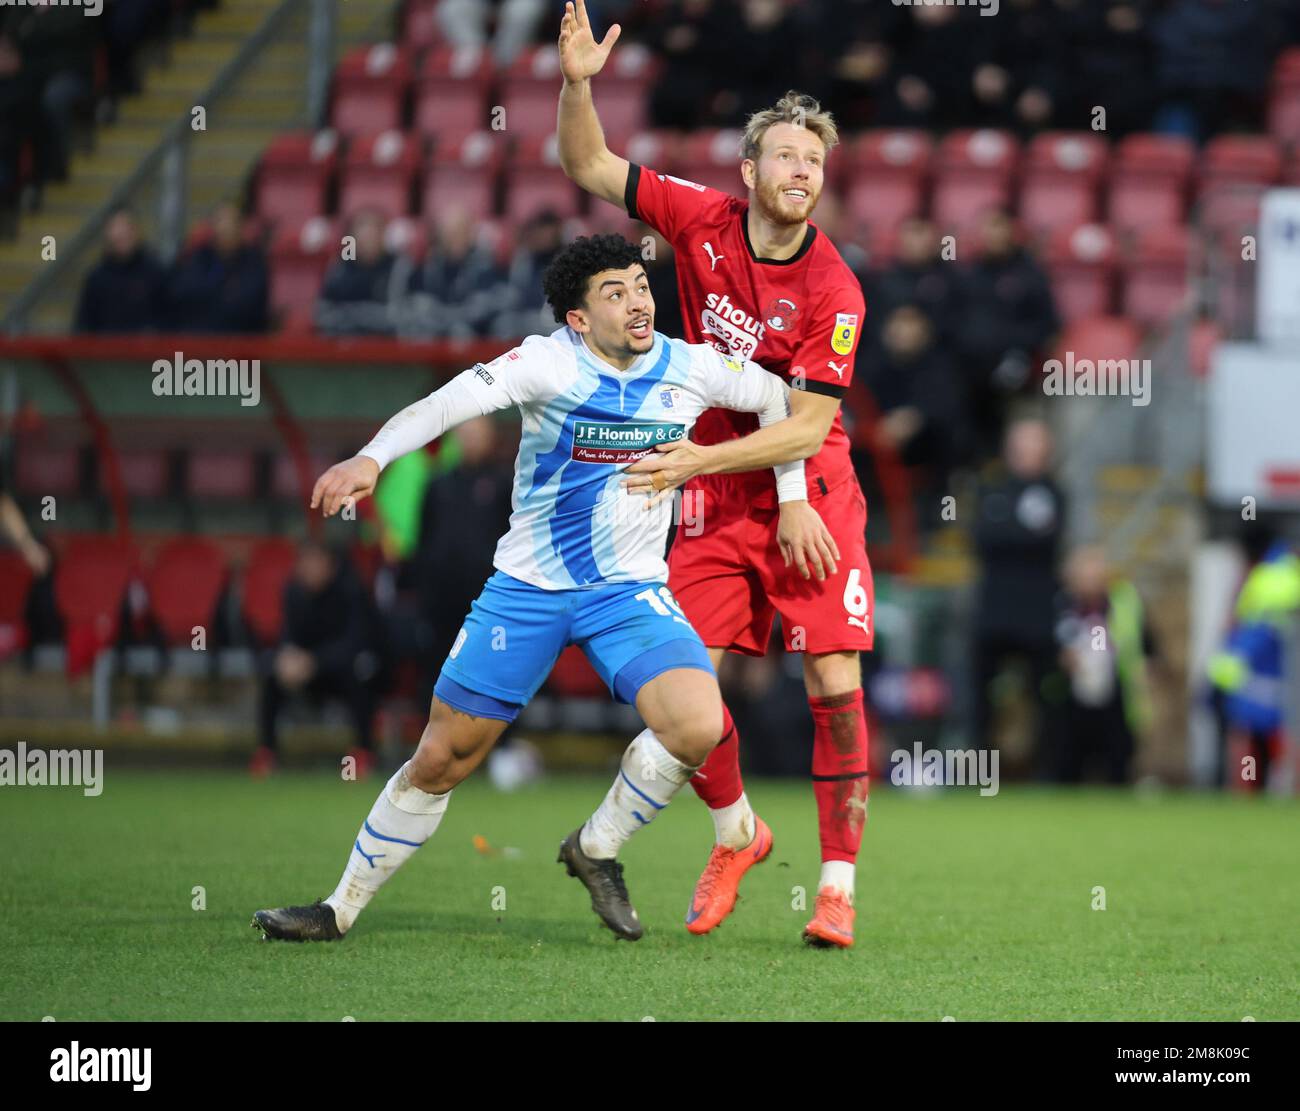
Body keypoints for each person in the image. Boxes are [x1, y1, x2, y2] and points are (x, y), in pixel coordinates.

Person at [252, 234, 837, 943]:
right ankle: (337, 907)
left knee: (696, 723)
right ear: (578, 319)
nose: (638, 302)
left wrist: (794, 498)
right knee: (442, 757)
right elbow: (445, 405)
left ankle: (593, 847)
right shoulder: (545, 362)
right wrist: (374, 457)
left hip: (627, 591)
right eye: (614, 293)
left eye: (640, 285)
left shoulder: (693, 365)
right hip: (527, 588)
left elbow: (783, 404)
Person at [558, 0, 872, 948]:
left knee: (831, 679)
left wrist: (703, 457)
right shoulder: (698, 219)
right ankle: (737, 832)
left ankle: (837, 888)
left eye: (815, 161)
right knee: (692, 684)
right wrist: (578, 82)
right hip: (714, 487)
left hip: (808, 485)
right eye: (786, 156)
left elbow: (808, 422)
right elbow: (586, 164)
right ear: (750, 170)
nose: (802, 172)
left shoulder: (836, 290)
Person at [970, 417, 1065, 769]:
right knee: (982, 698)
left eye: (1034, 444)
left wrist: (1006, 530)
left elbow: (1045, 540)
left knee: (1046, 697)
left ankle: (1049, 772)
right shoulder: (990, 489)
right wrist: (1017, 534)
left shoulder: (1054, 493)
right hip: (994, 612)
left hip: (1038, 614)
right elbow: (982, 539)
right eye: (1021, 444)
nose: (1026, 452)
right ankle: (980, 771)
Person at [252, 541, 386, 779]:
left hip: (342, 669)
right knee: (272, 674)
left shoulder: (351, 591)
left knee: (361, 676)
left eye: (314, 562)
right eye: (304, 562)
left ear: (329, 565)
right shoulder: (294, 592)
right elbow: (287, 635)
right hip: (306, 672)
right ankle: (267, 752)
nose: (307, 568)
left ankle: (364, 751)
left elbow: (355, 643)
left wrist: (314, 661)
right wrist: (288, 658)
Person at [1053, 544, 1156, 784]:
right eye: (1085, 576)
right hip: (1071, 698)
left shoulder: (1124, 601)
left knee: (1118, 764)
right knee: (1068, 764)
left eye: (1096, 575)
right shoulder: (1062, 604)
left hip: (1116, 693)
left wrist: (1144, 674)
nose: (1091, 582)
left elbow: (1145, 644)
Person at [167, 201, 268, 333]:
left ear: (242, 226)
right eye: (220, 221)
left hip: (239, 342)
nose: (225, 228)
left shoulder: (254, 262)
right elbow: (182, 294)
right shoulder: (199, 257)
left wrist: (209, 295)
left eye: (231, 222)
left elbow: (247, 306)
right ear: (212, 226)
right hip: (197, 340)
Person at [314, 209, 412, 336]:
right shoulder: (341, 266)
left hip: (386, 349)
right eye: (363, 229)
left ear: (386, 236)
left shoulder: (399, 267)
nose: (368, 235)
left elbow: (400, 318)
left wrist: (350, 314)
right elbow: (322, 313)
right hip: (342, 346)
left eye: (375, 229)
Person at [73, 207, 168, 334]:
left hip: (148, 352)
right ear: (107, 234)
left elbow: (169, 319)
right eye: (116, 229)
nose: (121, 234)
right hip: (105, 351)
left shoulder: (156, 273)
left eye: (126, 228)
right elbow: (84, 324)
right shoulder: (96, 278)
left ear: (137, 231)